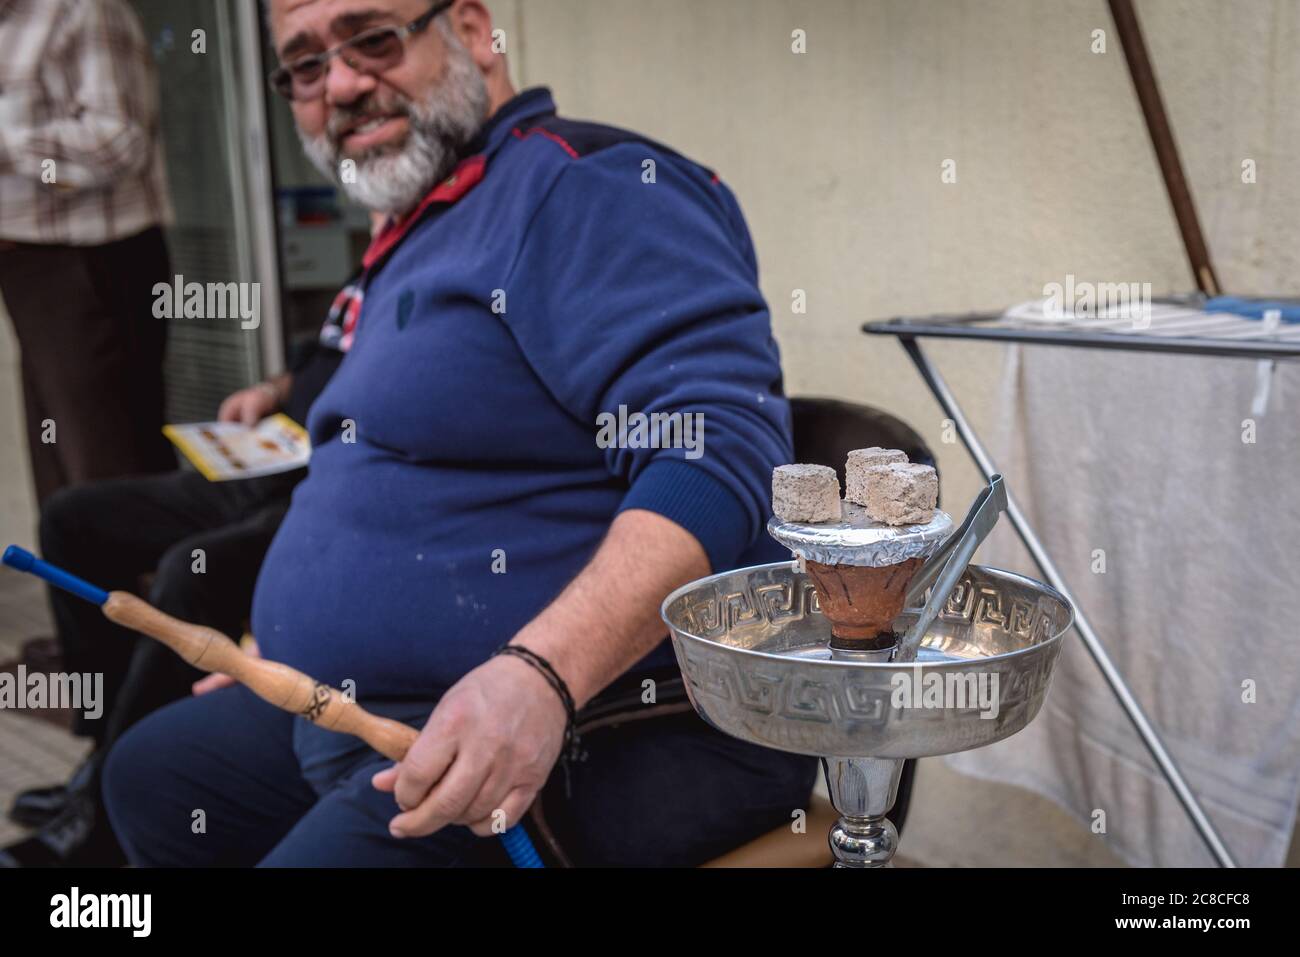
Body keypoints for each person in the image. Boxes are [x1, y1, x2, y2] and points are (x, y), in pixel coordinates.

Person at [104, 0, 816, 867]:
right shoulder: (429, 220)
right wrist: (284, 636)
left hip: (595, 723)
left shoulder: (591, 187)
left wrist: (543, 675)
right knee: (151, 775)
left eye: (372, 39)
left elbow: (714, 451)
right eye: (304, 65)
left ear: (475, 33)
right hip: (362, 703)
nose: (341, 85)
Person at [0, 284, 356, 868]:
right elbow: (326, 350)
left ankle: (98, 824)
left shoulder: (446, 257)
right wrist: (271, 389)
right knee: (73, 520)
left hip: (328, 480)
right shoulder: (381, 250)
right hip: (271, 450)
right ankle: (101, 750)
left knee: (193, 571)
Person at [0, 0, 176, 505]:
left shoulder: (80, 10)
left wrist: (9, 147)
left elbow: (119, 141)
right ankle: (78, 585)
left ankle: (130, 586)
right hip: (30, 266)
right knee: (60, 469)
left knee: (105, 469)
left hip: (91, 262)